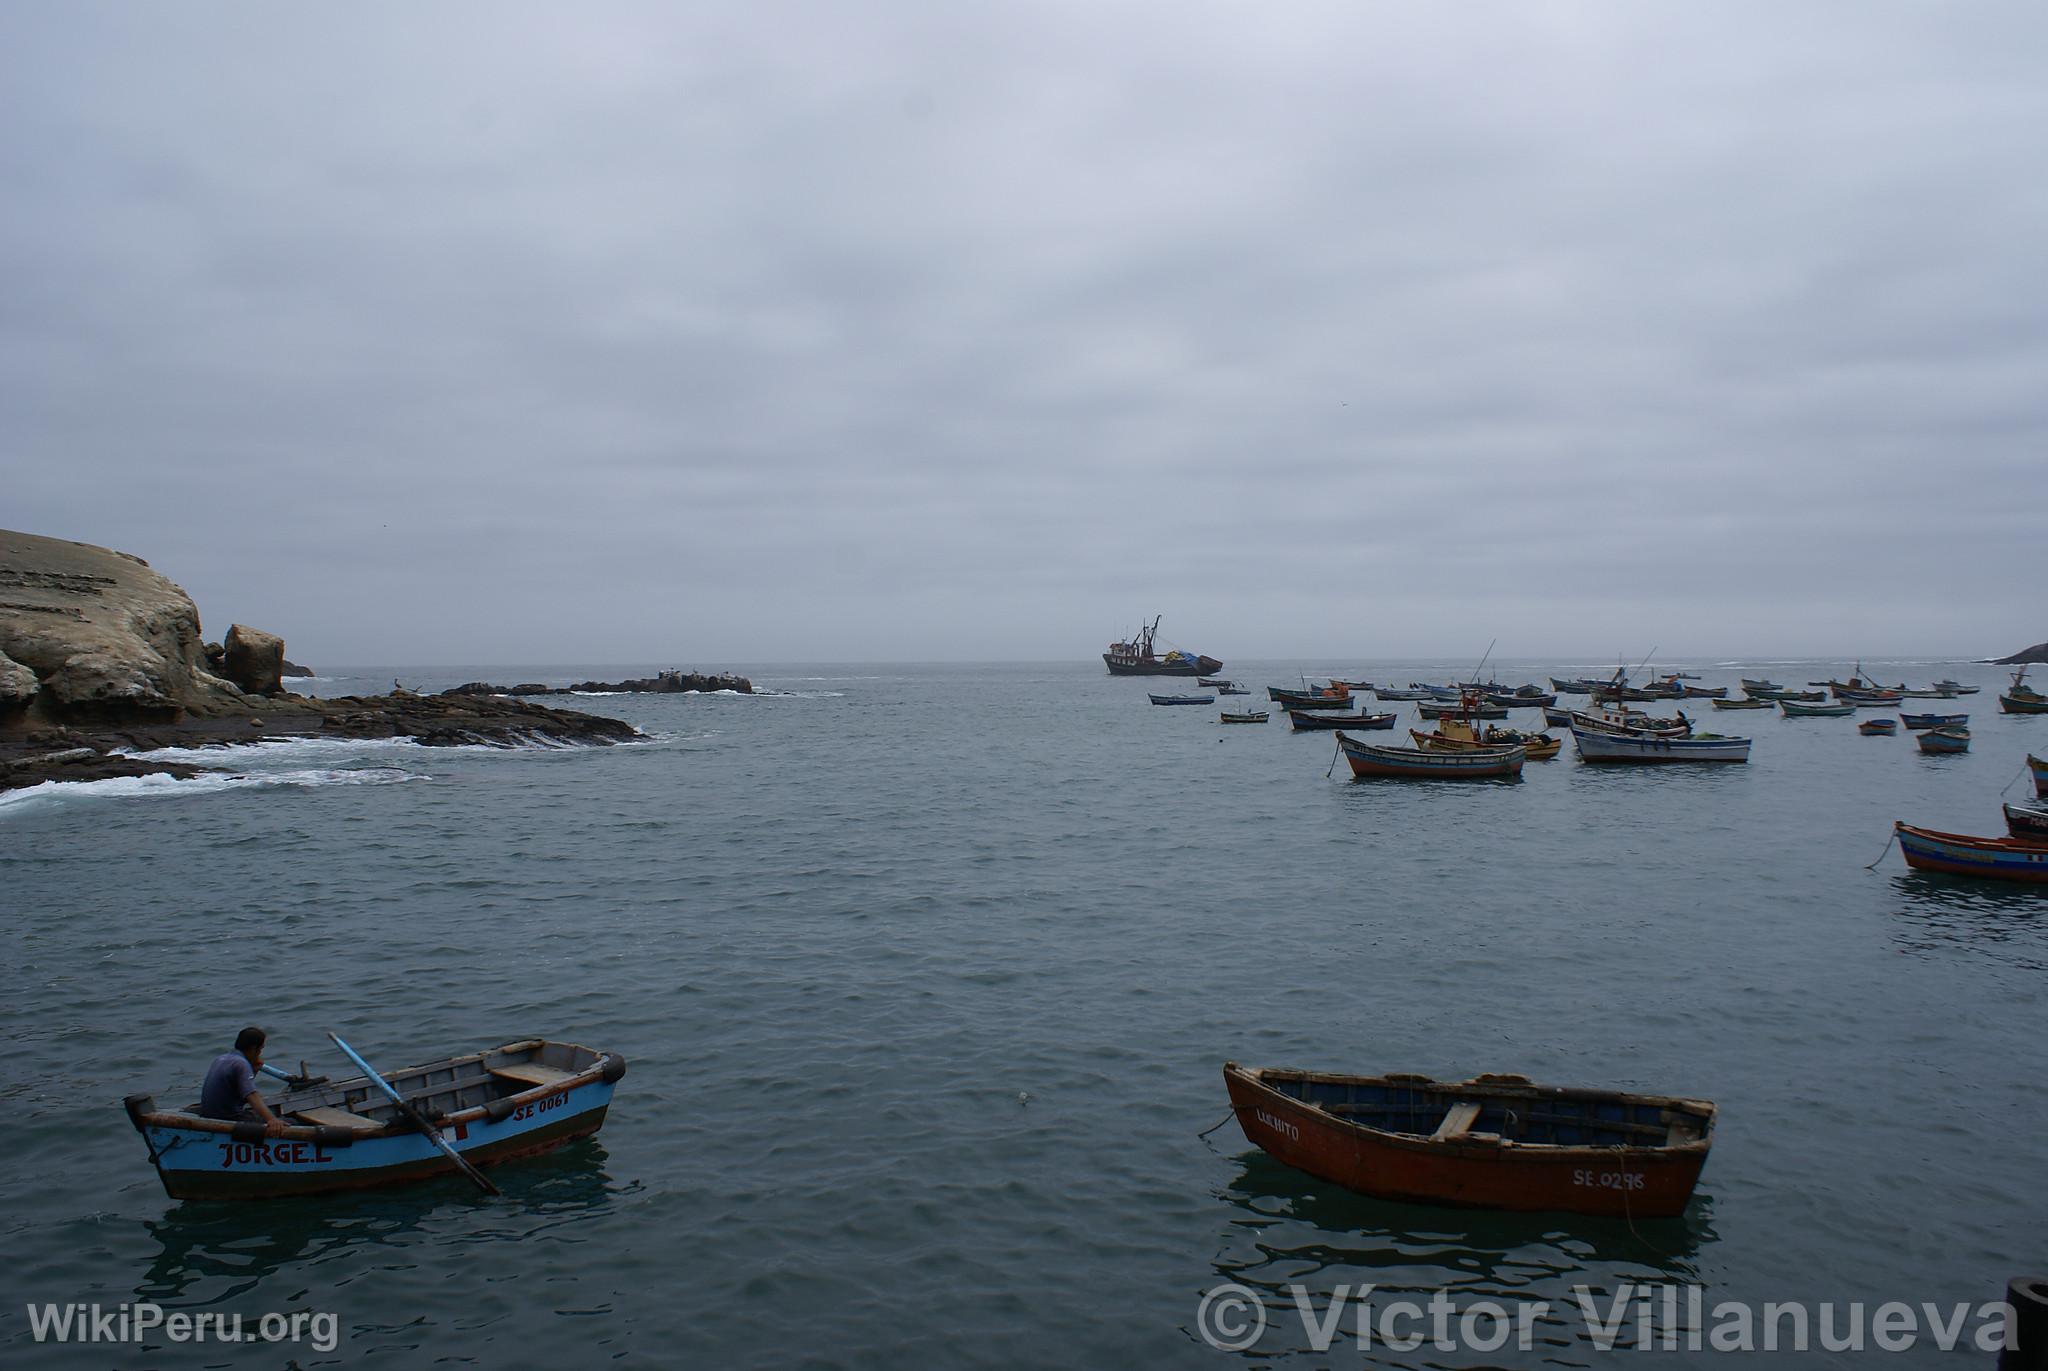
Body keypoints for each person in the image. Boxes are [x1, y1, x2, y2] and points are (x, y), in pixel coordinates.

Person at [200, 1026, 286, 1136]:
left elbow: (239, 1090)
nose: (260, 1053)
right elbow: (251, 1095)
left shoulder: (221, 1059)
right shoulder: (241, 1064)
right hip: (229, 1118)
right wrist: (272, 1120)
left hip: (210, 1115)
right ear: (254, 1048)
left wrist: (254, 1071)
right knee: (291, 1122)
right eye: (260, 1049)